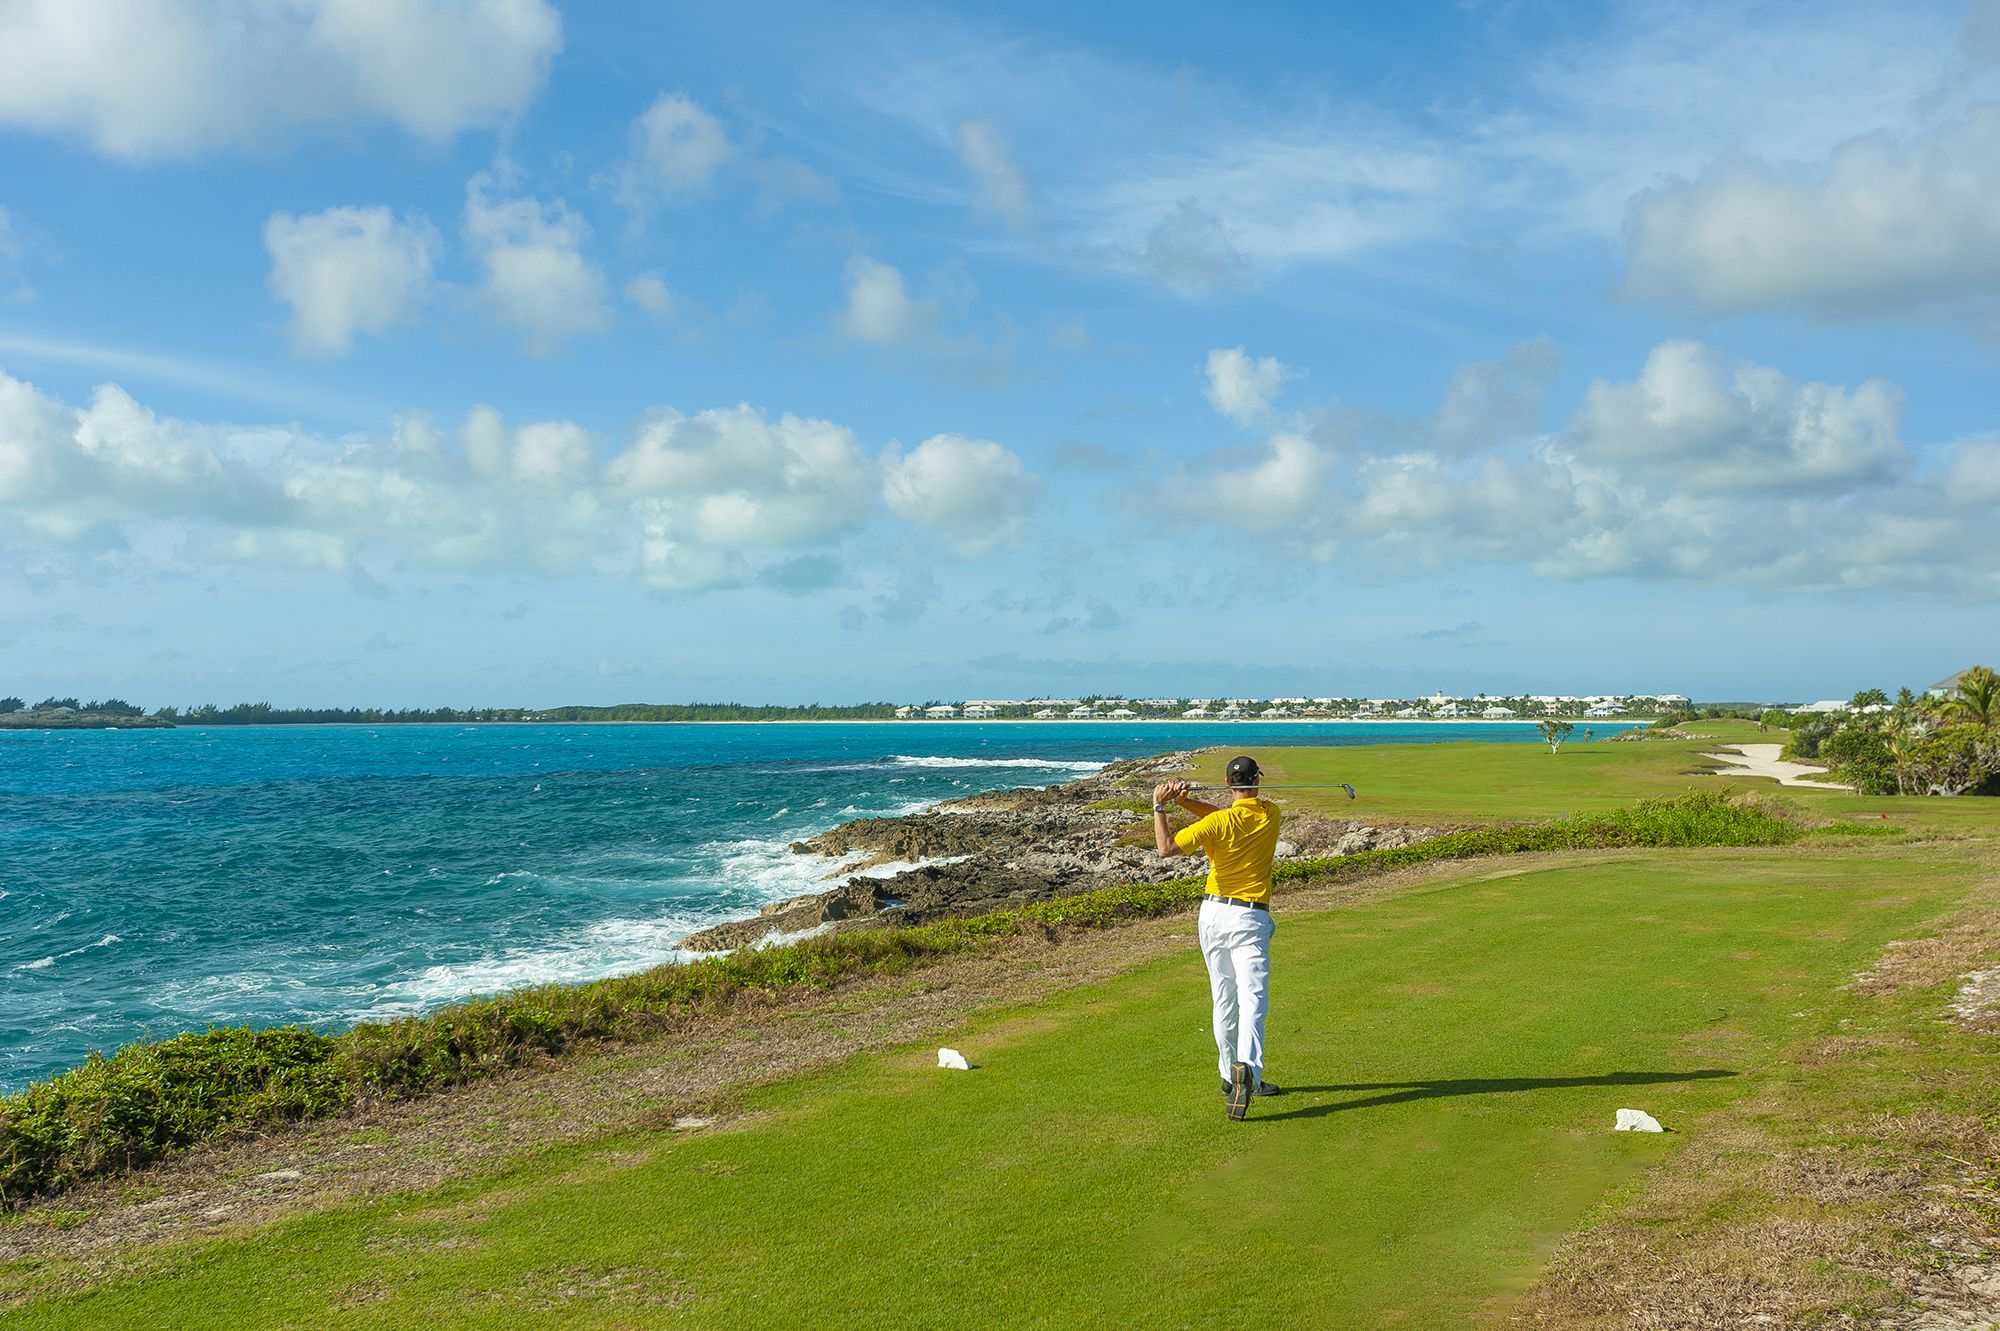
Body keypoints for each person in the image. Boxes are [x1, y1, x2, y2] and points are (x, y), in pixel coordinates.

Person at [1153, 755, 1284, 1120]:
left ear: (1228, 784)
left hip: (1212, 914)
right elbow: (1221, 815)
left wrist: (1162, 805)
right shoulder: (1270, 814)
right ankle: (1250, 1076)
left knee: (1223, 998)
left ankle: (1229, 1074)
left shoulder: (1219, 822)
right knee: (1252, 1000)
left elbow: (1165, 848)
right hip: (1249, 916)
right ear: (1257, 781)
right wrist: (1180, 802)